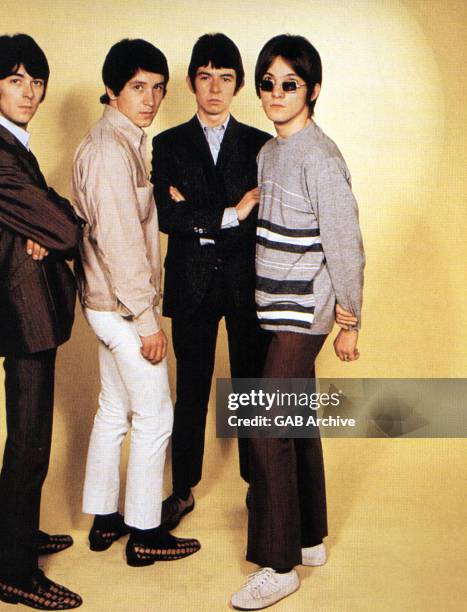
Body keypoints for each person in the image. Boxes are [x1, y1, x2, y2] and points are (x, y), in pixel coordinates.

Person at [229, 34, 365, 610]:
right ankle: (308, 538)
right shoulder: (269, 152)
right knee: (297, 424)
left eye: (289, 84)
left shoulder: (322, 157)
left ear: (312, 89)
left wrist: (350, 320)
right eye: (267, 83)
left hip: (305, 312)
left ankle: (277, 563)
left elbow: (346, 246)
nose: (276, 93)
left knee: (263, 424)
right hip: (271, 305)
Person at [0, 34, 83, 610]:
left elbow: (58, 215)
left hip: (34, 309)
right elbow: (69, 229)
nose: (29, 92)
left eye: (36, 82)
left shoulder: (10, 143)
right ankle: (15, 572)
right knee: (29, 444)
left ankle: (17, 537)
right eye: (15, 80)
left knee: (30, 439)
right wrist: (52, 233)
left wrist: (51, 229)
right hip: (22, 312)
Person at [71, 38, 200, 567]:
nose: (149, 99)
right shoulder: (108, 150)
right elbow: (121, 242)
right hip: (121, 307)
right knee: (156, 416)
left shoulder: (120, 141)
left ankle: (104, 519)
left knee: (112, 409)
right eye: (137, 87)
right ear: (111, 90)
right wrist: (147, 321)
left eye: (158, 89)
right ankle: (145, 531)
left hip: (106, 302)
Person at [151, 33, 271, 530]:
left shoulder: (261, 145)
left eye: (225, 78)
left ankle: (258, 486)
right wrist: (233, 211)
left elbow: (263, 218)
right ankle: (182, 490)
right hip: (192, 283)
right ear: (191, 83)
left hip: (247, 284)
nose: (215, 88)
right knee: (192, 389)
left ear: (239, 85)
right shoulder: (167, 143)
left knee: (249, 389)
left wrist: (194, 211)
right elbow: (166, 216)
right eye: (205, 77)